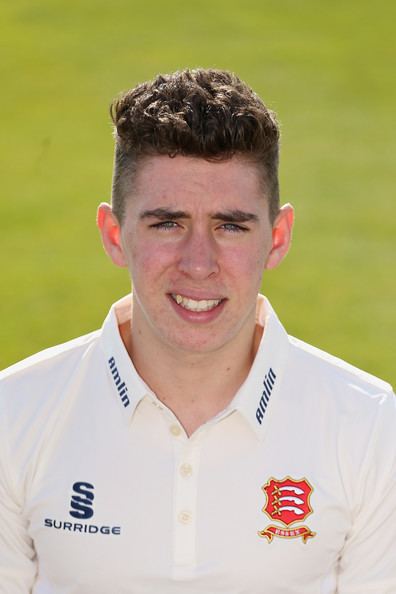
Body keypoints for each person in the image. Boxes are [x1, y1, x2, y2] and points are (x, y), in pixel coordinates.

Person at [0, 68, 395, 594]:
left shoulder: (368, 423)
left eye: (231, 225)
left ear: (277, 238)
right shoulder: (14, 413)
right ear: (115, 235)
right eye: (168, 223)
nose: (199, 263)